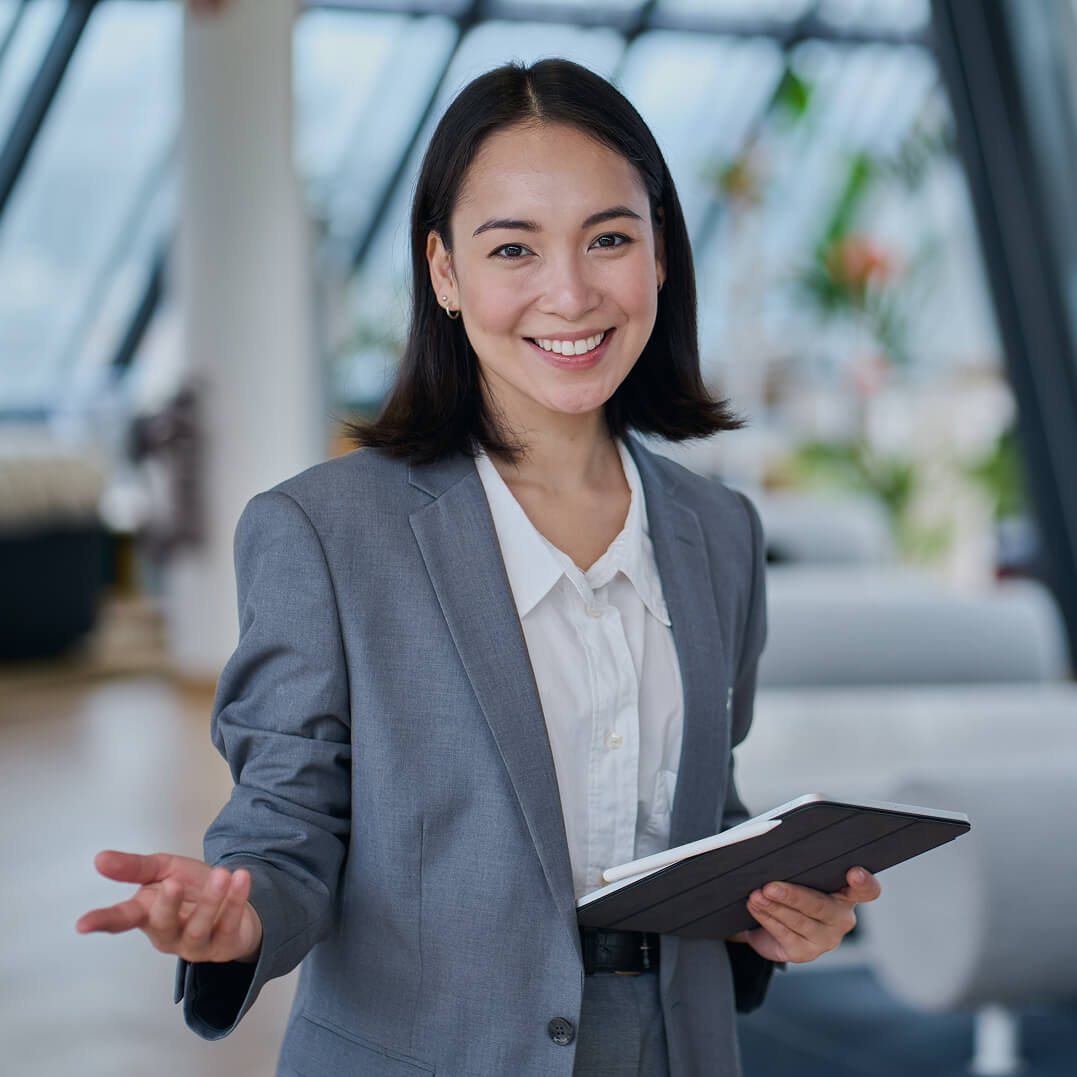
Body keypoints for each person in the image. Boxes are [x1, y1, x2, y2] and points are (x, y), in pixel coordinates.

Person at [77, 58, 880, 1076]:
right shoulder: (324, 533)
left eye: (610, 239)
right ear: (444, 273)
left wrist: (772, 909)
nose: (572, 292)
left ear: (663, 254)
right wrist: (235, 919)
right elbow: (287, 824)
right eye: (514, 248)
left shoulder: (718, 531)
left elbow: (695, 810)